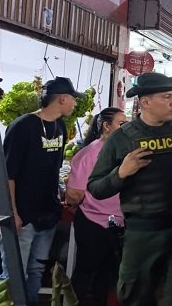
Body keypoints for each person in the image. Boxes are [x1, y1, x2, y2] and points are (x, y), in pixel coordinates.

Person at [88, 72, 172, 306]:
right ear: (145, 102)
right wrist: (121, 173)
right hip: (142, 233)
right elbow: (96, 187)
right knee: (135, 296)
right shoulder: (122, 138)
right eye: (166, 97)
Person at [0, 77, 81, 304]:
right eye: (73, 99)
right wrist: (13, 213)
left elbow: (52, 170)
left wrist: (63, 195)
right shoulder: (22, 126)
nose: (75, 104)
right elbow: (8, 174)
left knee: (36, 271)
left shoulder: (60, 127)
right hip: (23, 216)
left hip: (48, 215)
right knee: (14, 275)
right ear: (62, 98)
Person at [66, 108, 127, 306]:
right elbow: (74, 194)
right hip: (93, 223)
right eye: (121, 124)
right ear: (106, 126)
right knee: (86, 273)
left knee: (105, 275)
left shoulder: (125, 152)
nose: (125, 128)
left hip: (117, 224)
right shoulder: (88, 154)